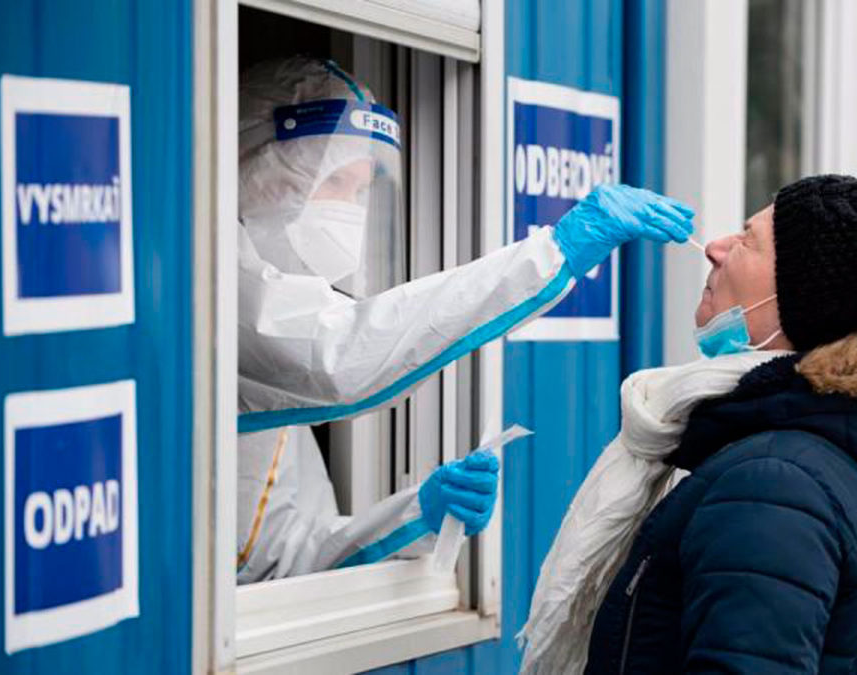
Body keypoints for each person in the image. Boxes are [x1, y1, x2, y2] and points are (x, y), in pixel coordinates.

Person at [518, 175, 857, 674]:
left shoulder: (776, 485)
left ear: (810, 305)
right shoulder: (816, 465)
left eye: (748, 240)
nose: (713, 249)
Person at [234, 57, 694, 582]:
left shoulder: (275, 355)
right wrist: (552, 254)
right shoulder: (211, 283)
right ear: (251, 166)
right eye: (335, 182)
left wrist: (417, 516)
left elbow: (274, 559)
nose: (352, 214)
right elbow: (339, 355)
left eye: (362, 191)